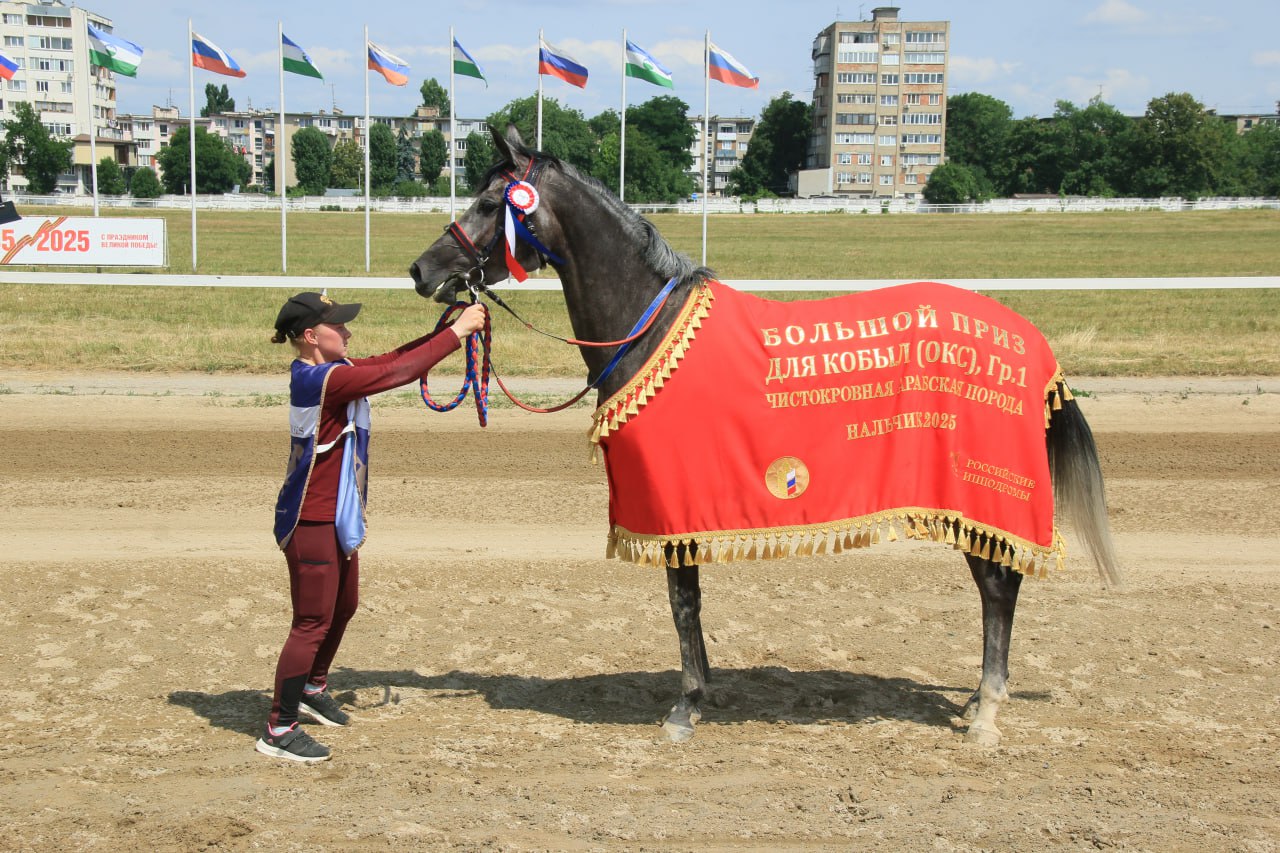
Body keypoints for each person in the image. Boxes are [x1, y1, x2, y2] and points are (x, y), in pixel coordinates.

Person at [255, 291, 486, 763]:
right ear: (310, 336)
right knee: (311, 622)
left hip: (333, 516)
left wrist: (451, 332)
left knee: (344, 605)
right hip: (311, 518)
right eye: (337, 326)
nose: (348, 332)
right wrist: (457, 333)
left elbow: (390, 359)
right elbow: (392, 373)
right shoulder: (323, 380)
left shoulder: (334, 372)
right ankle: (278, 729)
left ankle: (312, 687)